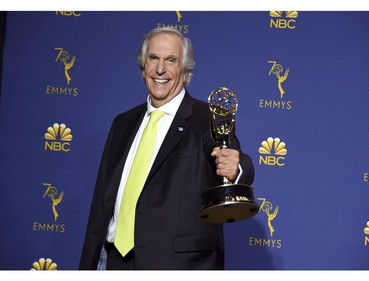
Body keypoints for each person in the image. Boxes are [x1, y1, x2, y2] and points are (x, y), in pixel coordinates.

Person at [79, 26, 255, 270]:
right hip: (114, 261)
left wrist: (236, 167)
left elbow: (229, 154)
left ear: (185, 71)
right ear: (143, 67)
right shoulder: (122, 123)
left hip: (176, 265)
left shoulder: (208, 117)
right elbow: (102, 205)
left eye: (171, 60)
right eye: (153, 58)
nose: (160, 69)